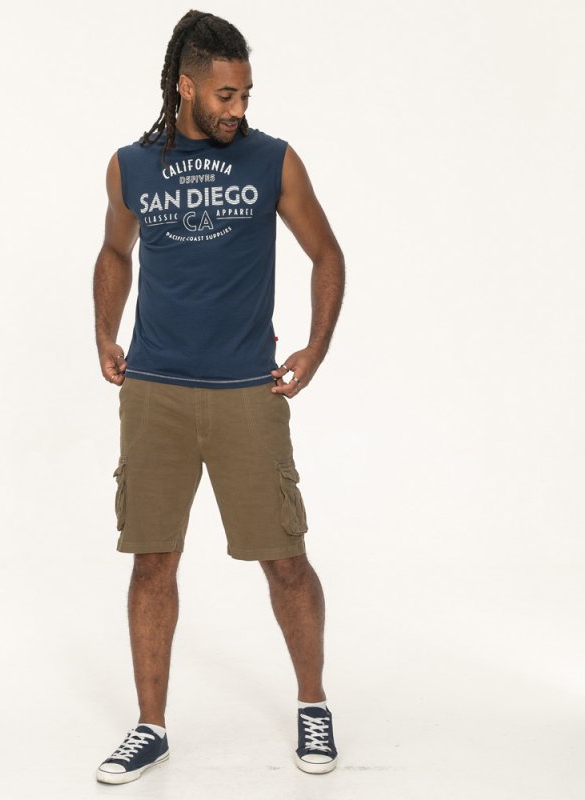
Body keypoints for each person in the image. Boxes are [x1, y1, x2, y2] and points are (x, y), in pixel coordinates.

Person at [92, 9, 346, 784]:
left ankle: (313, 705)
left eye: (245, 95)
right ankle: (151, 726)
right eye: (225, 95)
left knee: (286, 561)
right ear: (186, 87)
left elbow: (327, 253)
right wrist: (104, 330)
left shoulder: (273, 160)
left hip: (245, 392)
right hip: (155, 391)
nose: (238, 109)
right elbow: (114, 250)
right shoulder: (130, 166)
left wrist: (315, 346)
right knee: (152, 561)